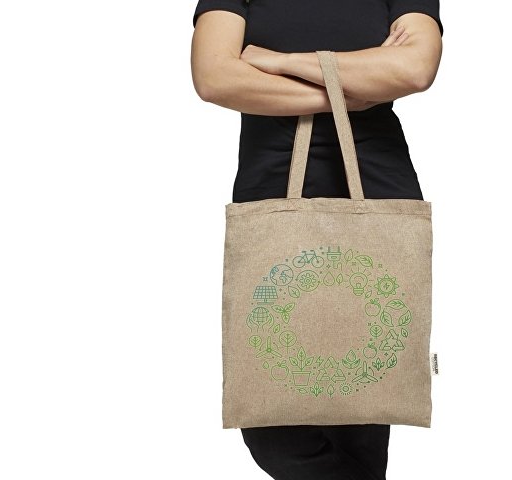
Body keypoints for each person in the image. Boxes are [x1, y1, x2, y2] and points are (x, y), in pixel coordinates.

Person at [190, 1, 443, 479]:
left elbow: (414, 69)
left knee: (364, 394)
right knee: (271, 411)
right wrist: (345, 89)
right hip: (272, 181)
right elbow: (214, 77)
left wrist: (279, 61)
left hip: (375, 181)